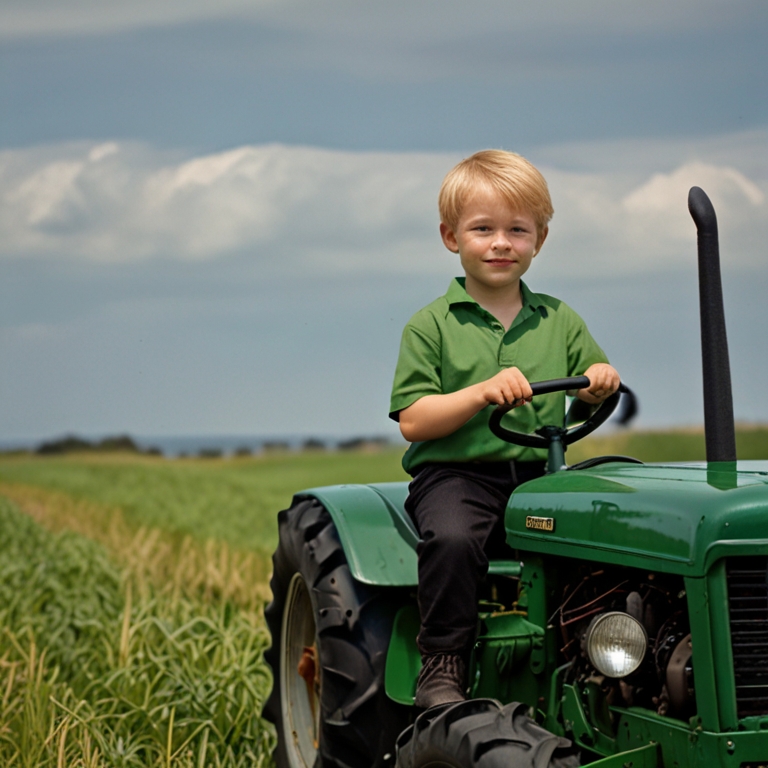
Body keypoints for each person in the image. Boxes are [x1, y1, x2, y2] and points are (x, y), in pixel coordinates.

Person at [389, 150, 620, 710]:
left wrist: (598, 381)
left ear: (538, 240)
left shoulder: (559, 319)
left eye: (517, 230)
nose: (500, 243)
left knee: (612, 530)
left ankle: (603, 656)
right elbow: (414, 421)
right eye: (483, 229)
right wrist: (478, 392)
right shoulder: (432, 324)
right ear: (451, 237)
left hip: (543, 475)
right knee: (452, 537)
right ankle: (443, 661)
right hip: (457, 476)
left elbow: (593, 383)